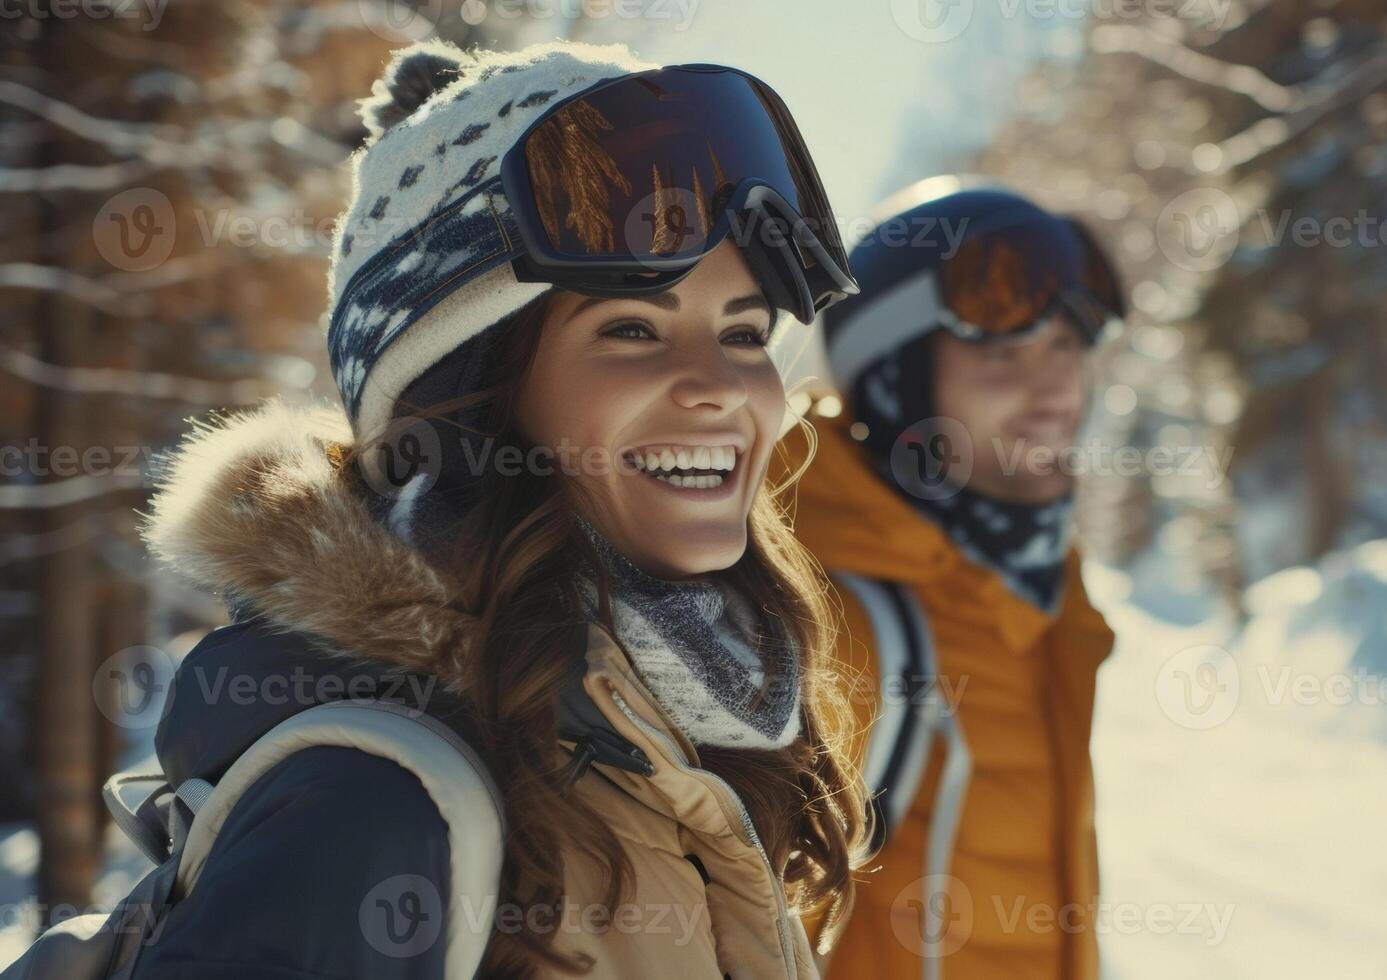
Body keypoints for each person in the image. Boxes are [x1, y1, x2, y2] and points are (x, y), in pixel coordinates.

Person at [130, 40, 868, 979]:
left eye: (744, 331)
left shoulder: (675, 737)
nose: (723, 387)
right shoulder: (375, 808)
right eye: (632, 329)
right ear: (468, 399)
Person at [774, 178, 1122, 980]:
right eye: (1004, 354)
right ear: (896, 385)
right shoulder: (822, 624)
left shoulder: (1042, 606)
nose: (1054, 393)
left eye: (1067, 347)